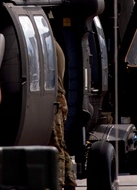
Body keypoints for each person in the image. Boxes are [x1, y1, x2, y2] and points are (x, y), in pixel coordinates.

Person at [50, 42, 76, 189]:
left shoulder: (47, 44)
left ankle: (58, 183)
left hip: (55, 100)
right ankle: (69, 181)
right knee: (60, 143)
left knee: (55, 145)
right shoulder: (54, 44)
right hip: (59, 99)